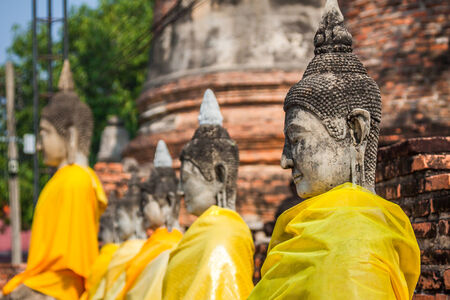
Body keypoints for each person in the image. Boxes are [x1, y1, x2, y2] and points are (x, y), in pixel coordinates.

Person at [248, 1, 420, 299]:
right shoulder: (297, 232)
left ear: (355, 131)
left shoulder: (355, 246)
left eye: (297, 138)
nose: (284, 160)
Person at [2, 60, 107, 300]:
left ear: (70, 134)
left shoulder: (76, 181)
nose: (39, 145)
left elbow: (73, 262)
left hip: (61, 288)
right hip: (43, 282)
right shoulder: (62, 180)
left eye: (45, 134)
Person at [162, 89, 254, 300]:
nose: (181, 191)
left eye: (186, 179)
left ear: (220, 176)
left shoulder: (223, 236)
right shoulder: (197, 236)